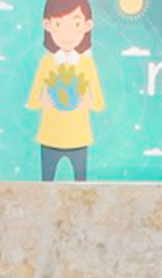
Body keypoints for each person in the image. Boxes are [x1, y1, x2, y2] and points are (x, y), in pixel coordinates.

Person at [27, 0, 105, 182]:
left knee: (82, 187)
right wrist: (41, 101)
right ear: (48, 25)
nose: (67, 34)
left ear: (87, 25)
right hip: (49, 136)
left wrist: (89, 103)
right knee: (46, 184)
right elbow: (32, 101)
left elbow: (99, 102)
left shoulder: (86, 64)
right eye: (59, 24)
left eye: (76, 24)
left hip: (79, 136)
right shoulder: (47, 63)